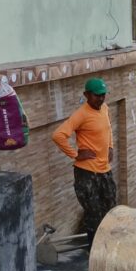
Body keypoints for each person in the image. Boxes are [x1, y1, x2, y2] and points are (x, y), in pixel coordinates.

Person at [52, 78, 116, 248]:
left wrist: (110, 147)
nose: (101, 99)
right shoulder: (81, 114)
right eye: (97, 96)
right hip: (87, 173)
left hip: (104, 170)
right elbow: (58, 135)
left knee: (110, 208)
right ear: (86, 95)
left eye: (103, 95)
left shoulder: (105, 109)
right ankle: (93, 250)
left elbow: (108, 130)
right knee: (93, 213)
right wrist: (75, 154)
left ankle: (107, 245)